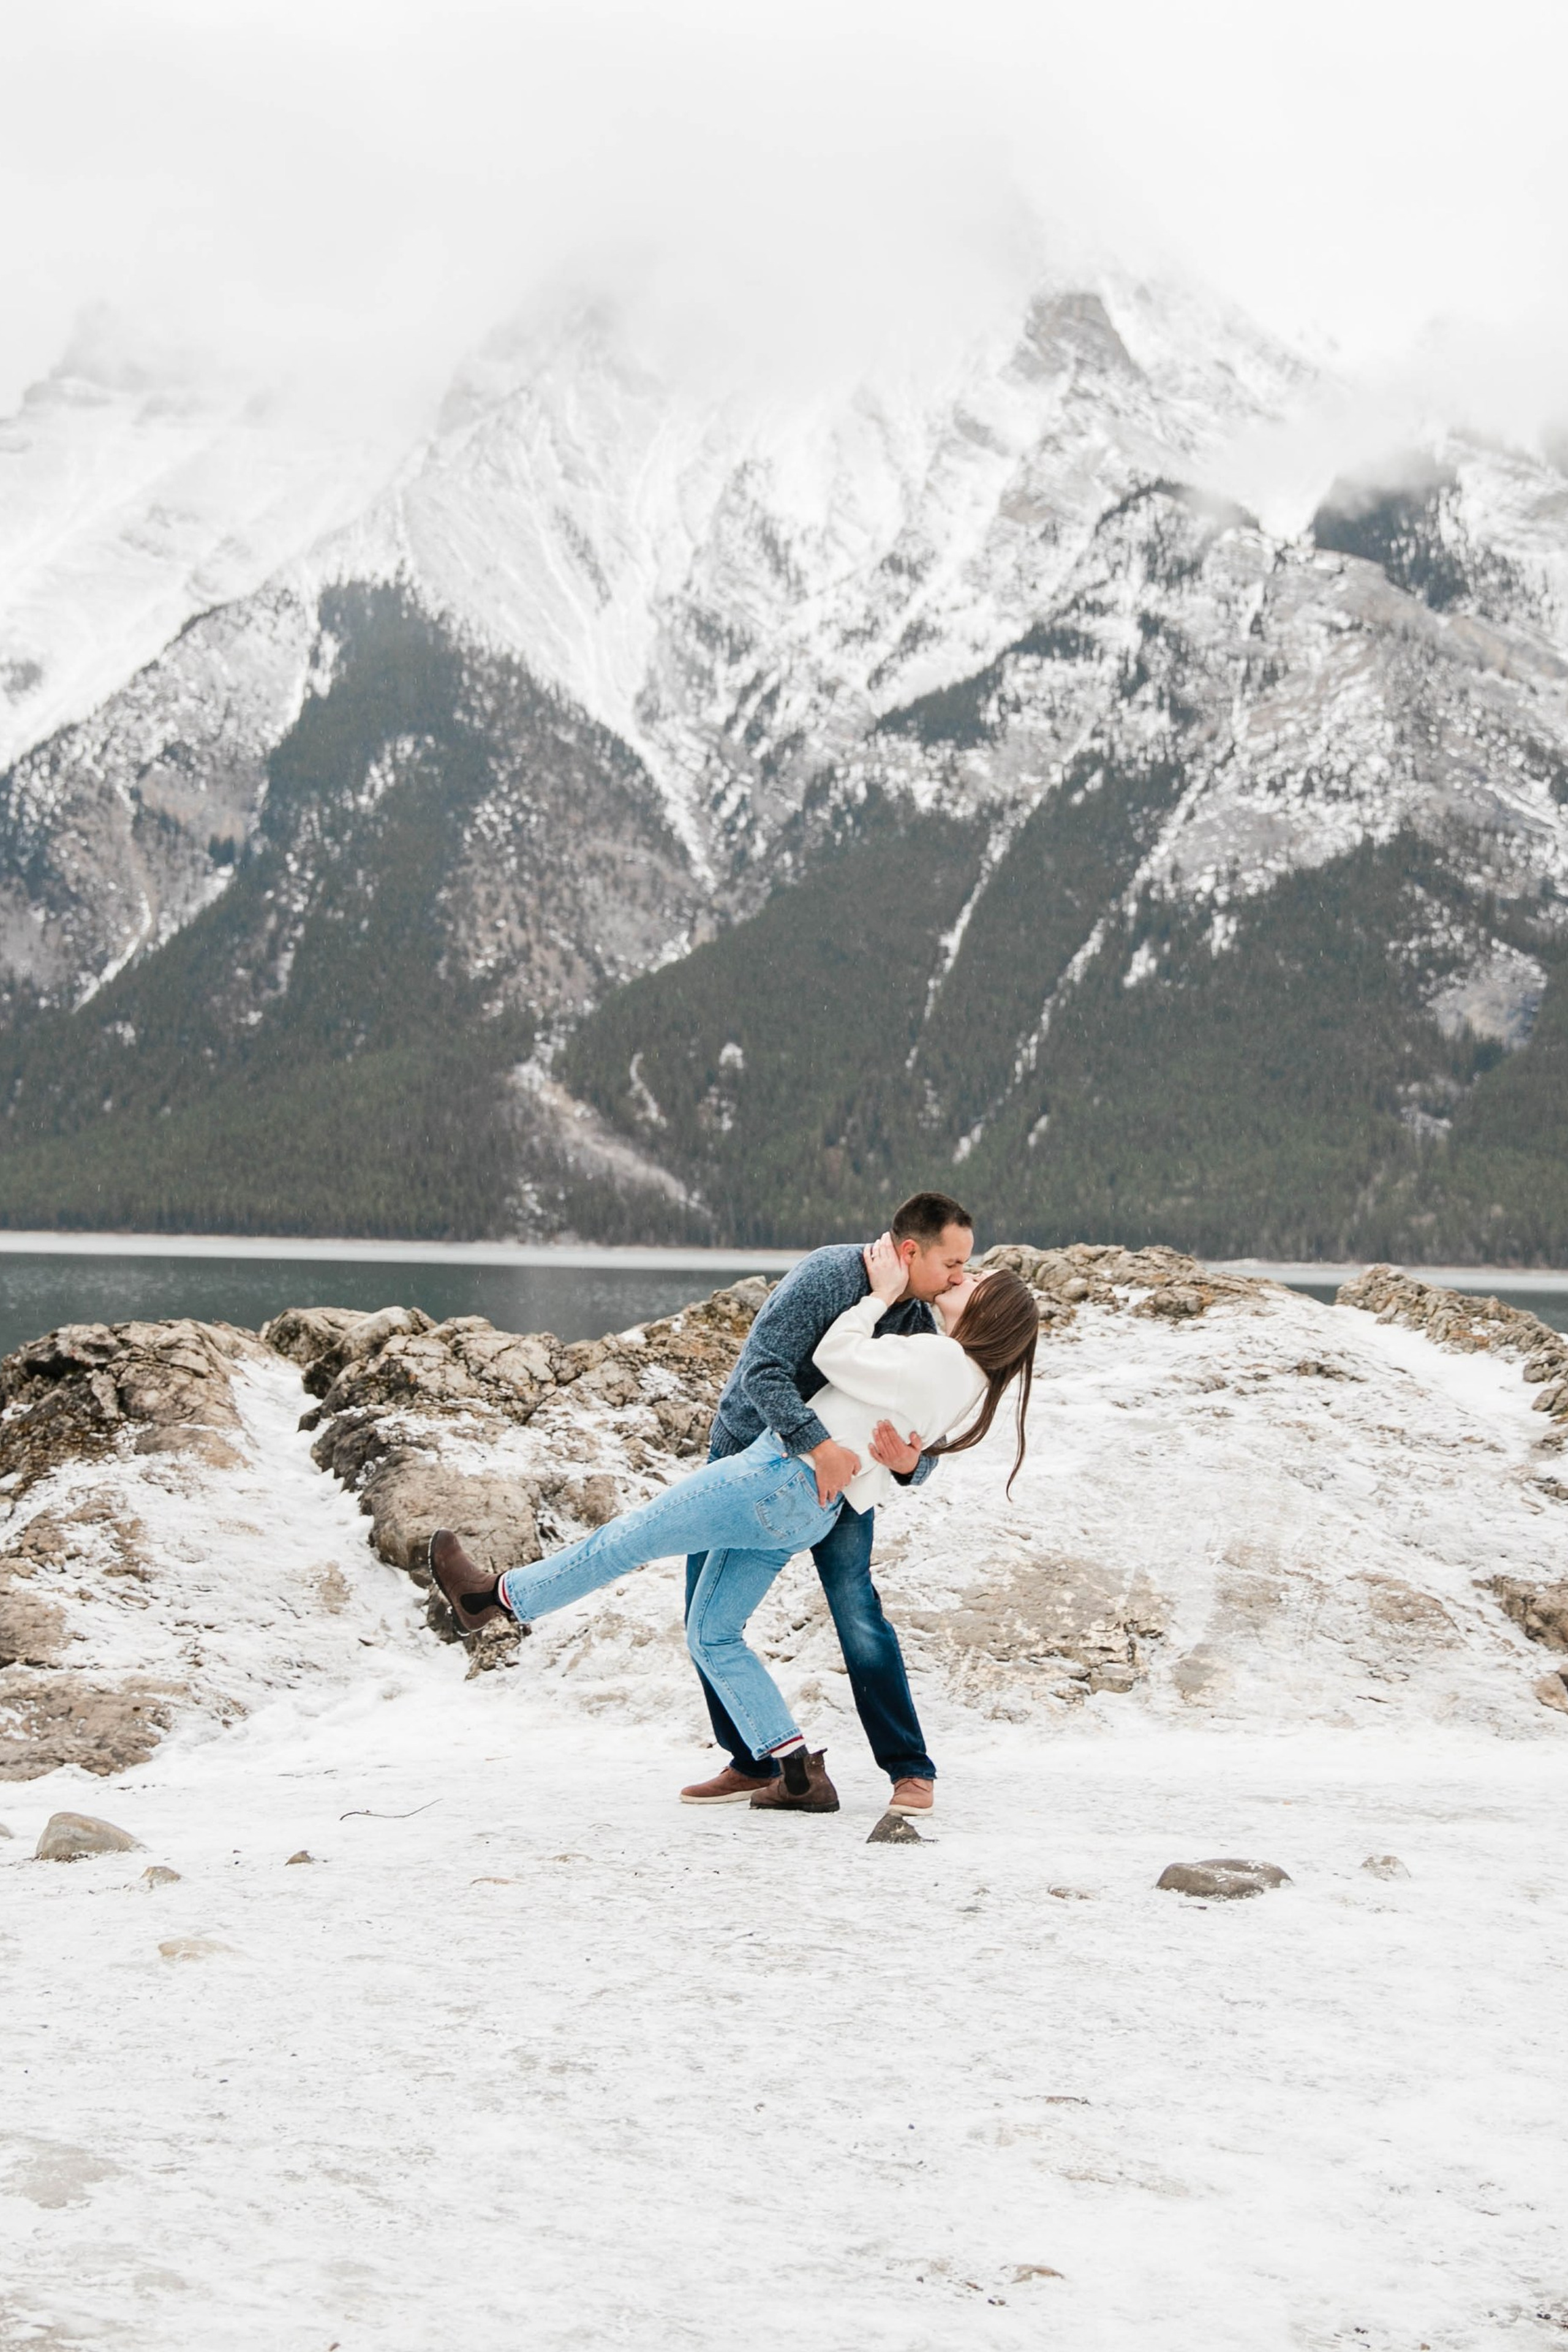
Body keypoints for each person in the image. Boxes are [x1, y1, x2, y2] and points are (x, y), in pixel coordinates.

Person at [427, 1233, 1039, 1814]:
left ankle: (497, 1598)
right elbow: (896, 1449)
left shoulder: (935, 1351)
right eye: (960, 1263)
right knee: (712, 1633)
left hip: (774, 1476)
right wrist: (889, 1464)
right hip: (809, 1509)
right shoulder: (966, 1384)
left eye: (975, 1276)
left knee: (627, 1539)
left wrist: (876, 1298)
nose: (965, 1274)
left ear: (988, 1313)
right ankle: (793, 1768)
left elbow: (834, 1356)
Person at [680, 1188, 978, 1818]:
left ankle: (908, 1769)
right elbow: (762, 1370)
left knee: (856, 1609)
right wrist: (817, 1447)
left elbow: (924, 1448)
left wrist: (908, 1466)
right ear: (909, 1251)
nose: (959, 1276)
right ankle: (753, 1760)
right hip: (748, 1461)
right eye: (951, 1264)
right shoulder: (829, 1275)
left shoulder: (922, 1326)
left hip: (843, 1487)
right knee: (703, 1615)